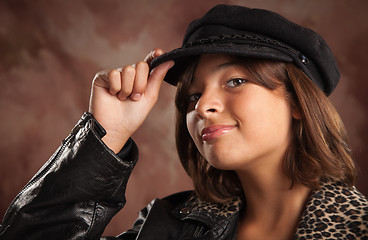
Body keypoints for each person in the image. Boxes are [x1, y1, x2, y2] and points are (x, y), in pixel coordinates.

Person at [0, 4, 367, 240]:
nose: (202, 106)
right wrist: (106, 134)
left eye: (235, 81)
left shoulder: (357, 228)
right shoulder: (170, 226)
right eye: (192, 96)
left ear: (297, 103)